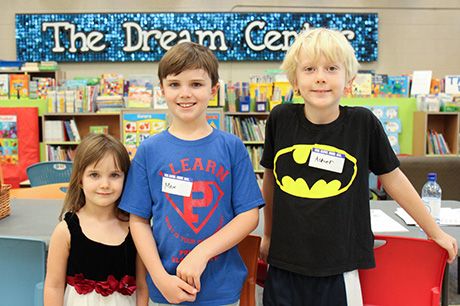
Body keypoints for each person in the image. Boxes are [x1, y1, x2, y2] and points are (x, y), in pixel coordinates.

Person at [259, 28, 458, 306]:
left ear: (349, 78)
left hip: (340, 264)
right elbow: (271, 179)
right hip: (285, 262)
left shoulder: (362, 124)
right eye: (309, 69)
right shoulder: (280, 119)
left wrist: (434, 231)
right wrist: (267, 234)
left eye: (331, 68)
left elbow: (394, 179)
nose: (320, 77)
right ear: (294, 79)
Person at [119, 41, 264, 305]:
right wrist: (160, 278)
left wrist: (202, 253)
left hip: (221, 288)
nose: (185, 93)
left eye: (196, 84)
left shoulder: (232, 147)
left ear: (214, 90)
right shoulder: (148, 151)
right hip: (165, 288)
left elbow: (249, 215)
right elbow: (138, 220)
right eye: (175, 84)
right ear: (162, 90)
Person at [44, 133, 149, 306]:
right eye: (94, 175)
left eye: (114, 175)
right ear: (80, 180)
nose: (104, 184)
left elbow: (142, 288)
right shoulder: (65, 231)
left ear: (126, 178)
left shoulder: (136, 229)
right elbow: (54, 286)